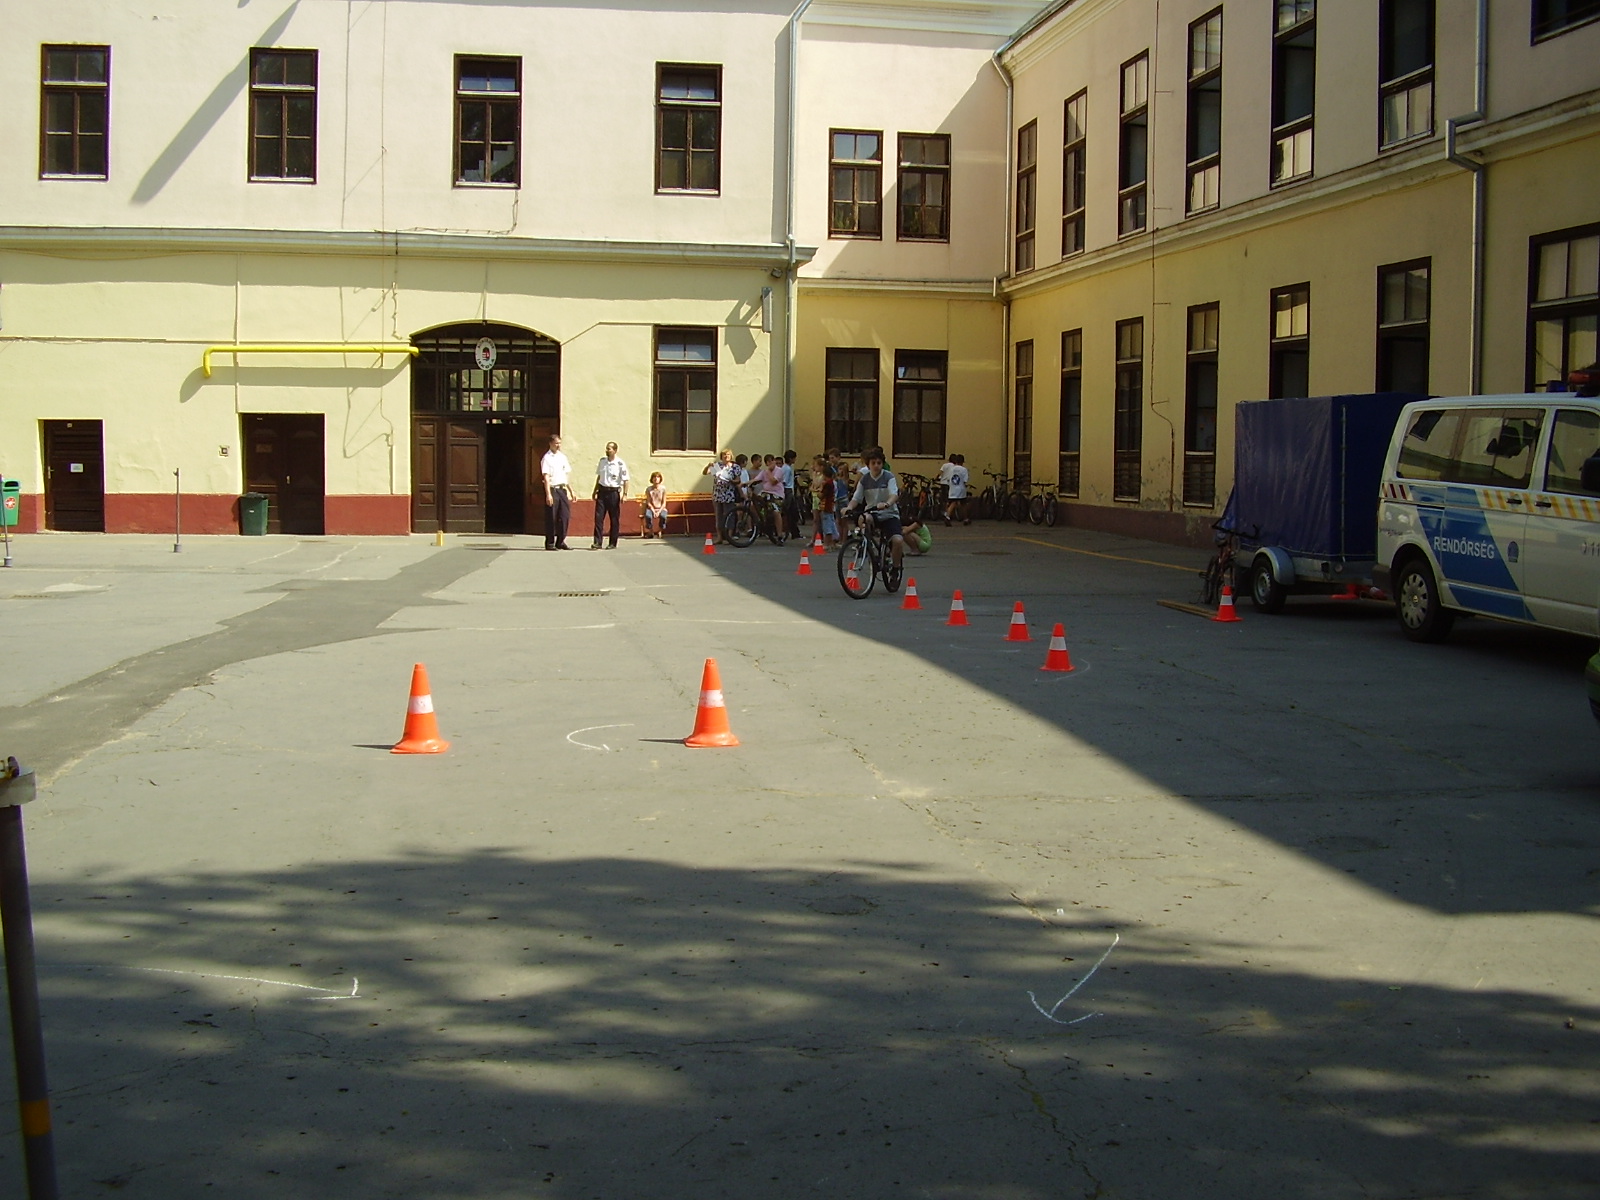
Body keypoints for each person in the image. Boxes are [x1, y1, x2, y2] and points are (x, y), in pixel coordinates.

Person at [841, 448, 905, 570]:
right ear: (868, 465)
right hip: (872, 512)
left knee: (897, 540)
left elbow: (894, 494)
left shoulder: (888, 477)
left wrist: (887, 503)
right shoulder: (864, 480)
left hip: (889, 514)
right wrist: (848, 507)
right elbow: (857, 498)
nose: (876, 466)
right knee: (864, 518)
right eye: (873, 463)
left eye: (879, 463)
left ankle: (895, 568)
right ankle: (866, 543)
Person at [591, 442, 629, 548]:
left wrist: (625, 494)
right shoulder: (602, 461)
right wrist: (595, 491)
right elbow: (599, 477)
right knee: (598, 518)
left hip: (613, 492)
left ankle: (612, 542)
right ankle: (597, 542)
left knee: (614, 519)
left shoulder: (620, 463)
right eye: (606, 448)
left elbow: (626, 480)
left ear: (615, 450)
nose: (607, 450)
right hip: (602, 492)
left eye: (609, 449)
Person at [541, 434, 573, 550]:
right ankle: (550, 543)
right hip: (553, 489)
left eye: (559, 443)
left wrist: (571, 491)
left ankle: (561, 541)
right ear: (550, 444)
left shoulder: (562, 457)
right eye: (556, 443)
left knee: (564, 516)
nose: (558, 445)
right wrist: (548, 494)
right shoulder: (547, 458)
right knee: (552, 517)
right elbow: (546, 477)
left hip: (562, 489)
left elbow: (565, 476)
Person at [703, 450, 741, 543]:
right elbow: (705, 473)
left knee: (729, 515)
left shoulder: (735, 467)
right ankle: (719, 537)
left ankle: (729, 537)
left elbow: (738, 480)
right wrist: (708, 466)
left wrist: (732, 481)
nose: (726, 456)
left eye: (728, 455)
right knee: (718, 516)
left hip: (729, 494)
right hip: (718, 494)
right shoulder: (718, 466)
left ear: (731, 456)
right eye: (724, 454)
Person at [940, 452, 970, 525]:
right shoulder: (964, 469)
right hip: (961, 489)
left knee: (952, 503)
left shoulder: (952, 469)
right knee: (963, 504)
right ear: (962, 462)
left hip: (952, 488)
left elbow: (948, 478)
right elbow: (965, 480)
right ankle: (965, 519)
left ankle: (947, 517)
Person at [642, 472, 669, 539]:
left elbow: (664, 503)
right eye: (654, 477)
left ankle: (660, 531)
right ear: (652, 479)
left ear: (660, 479)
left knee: (663, 516)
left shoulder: (663, 489)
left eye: (658, 477)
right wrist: (653, 511)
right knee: (648, 516)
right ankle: (651, 531)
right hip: (651, 508)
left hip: (661, 508)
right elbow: (648, 502)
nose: (656, 479)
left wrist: (659, 511)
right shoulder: (649, 489)